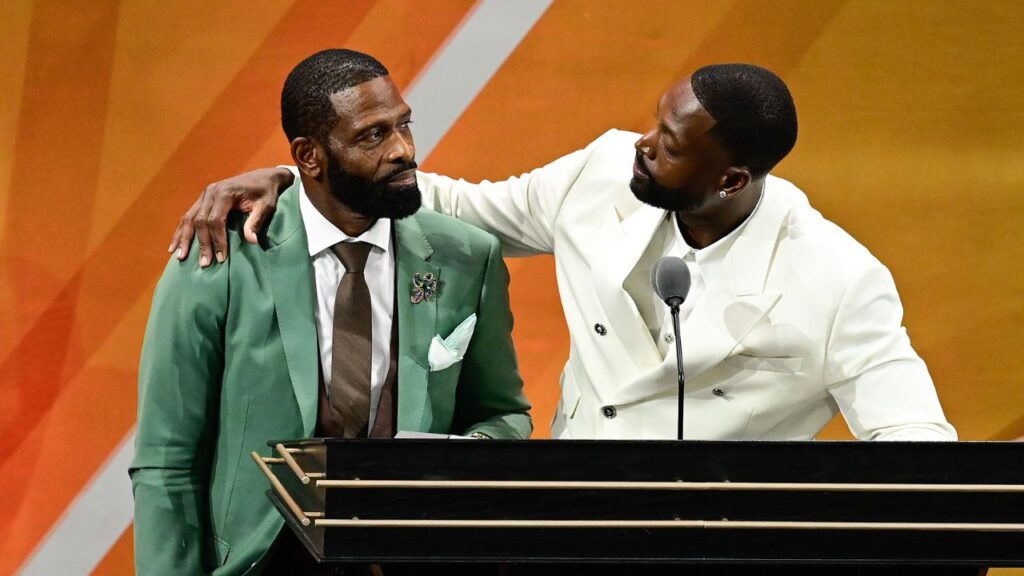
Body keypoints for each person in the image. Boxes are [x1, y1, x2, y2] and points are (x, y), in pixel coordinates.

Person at [169, 63, 955, 442]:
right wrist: (298, 176)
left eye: (670, 145)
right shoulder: (602, 174)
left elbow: (913, 444)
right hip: (568, 526)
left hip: (718, 550)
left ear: (733, 176)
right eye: (654, 124)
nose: (641, 146)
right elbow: (454, 205)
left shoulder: (839, 279)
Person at [131, 49, 531, 575]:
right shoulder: (222, 259)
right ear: (309, 156)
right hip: (260, 561)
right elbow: (167, 459)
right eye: (373, 135)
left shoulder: (465, 257)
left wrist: (461, 461)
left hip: (408, 556)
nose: (404, 150)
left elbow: (503, 415)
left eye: (404, 125)